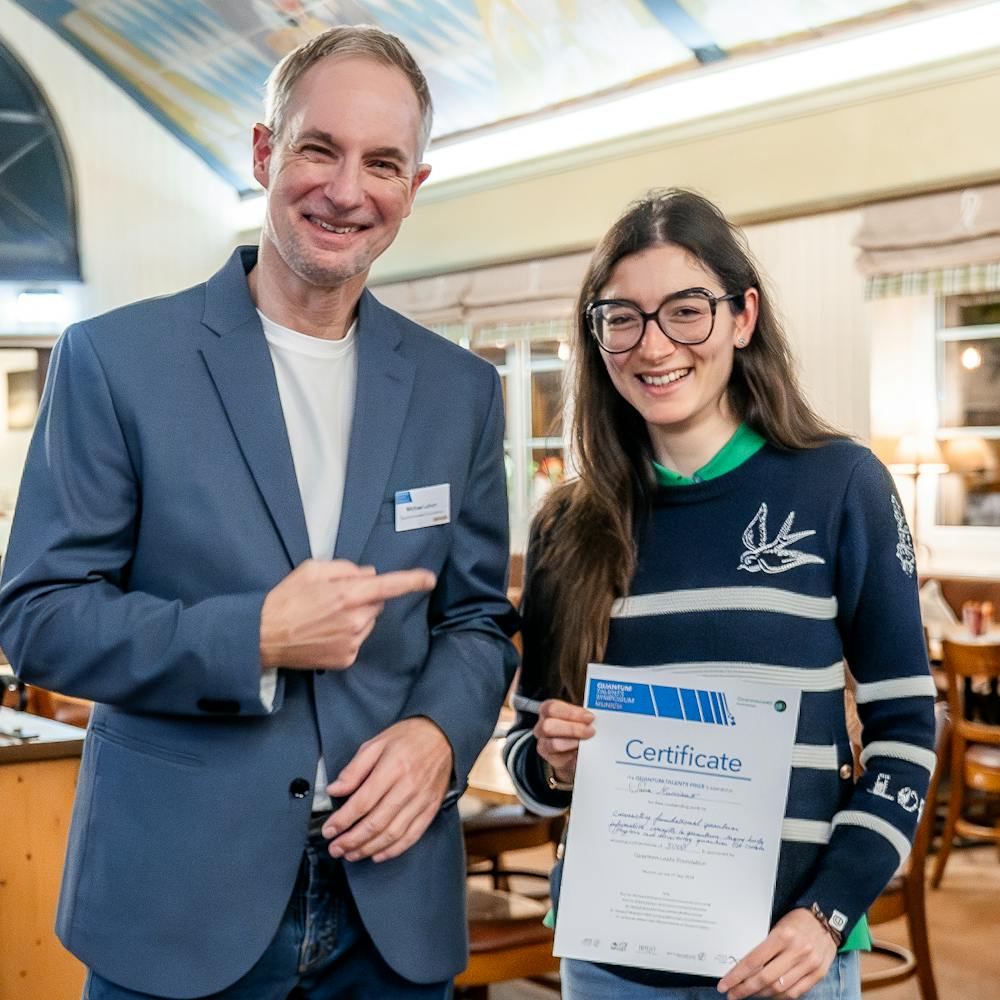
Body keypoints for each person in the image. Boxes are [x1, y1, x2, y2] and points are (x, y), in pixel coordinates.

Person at [0, 25, 517, 1000]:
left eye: (383, 163)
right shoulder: (115, 362)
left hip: (391, 911)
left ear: (415, 185)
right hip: (176, 902)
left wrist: (439, 738)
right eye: (318, 148)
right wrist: (256, 634)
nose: (346, 188)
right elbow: (38, 618)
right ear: (263, 152)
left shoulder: (461, 392)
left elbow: (478, 619)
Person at [503, 189, 936, 1000]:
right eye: (621, 317)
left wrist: (829, 914)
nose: (653, 343)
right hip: (610, 963)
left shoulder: (843, 486)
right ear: (597, 340)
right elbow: (527, 756)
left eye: (686, 311)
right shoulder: (566, 524)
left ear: (743, 317)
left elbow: (908, 728)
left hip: (784, 960)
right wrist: (554, 762)